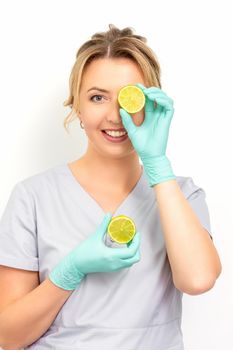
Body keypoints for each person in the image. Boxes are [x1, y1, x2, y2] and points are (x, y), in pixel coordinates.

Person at [0, 24, 222, 349]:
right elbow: (7, 336)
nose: (116, 116)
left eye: (130, 98)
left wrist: (158, 166)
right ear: (77, 106)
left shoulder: (181, 194)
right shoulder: (32, 197)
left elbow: (198, 279)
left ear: (152, 104)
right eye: (97, 97)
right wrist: (70, 271)